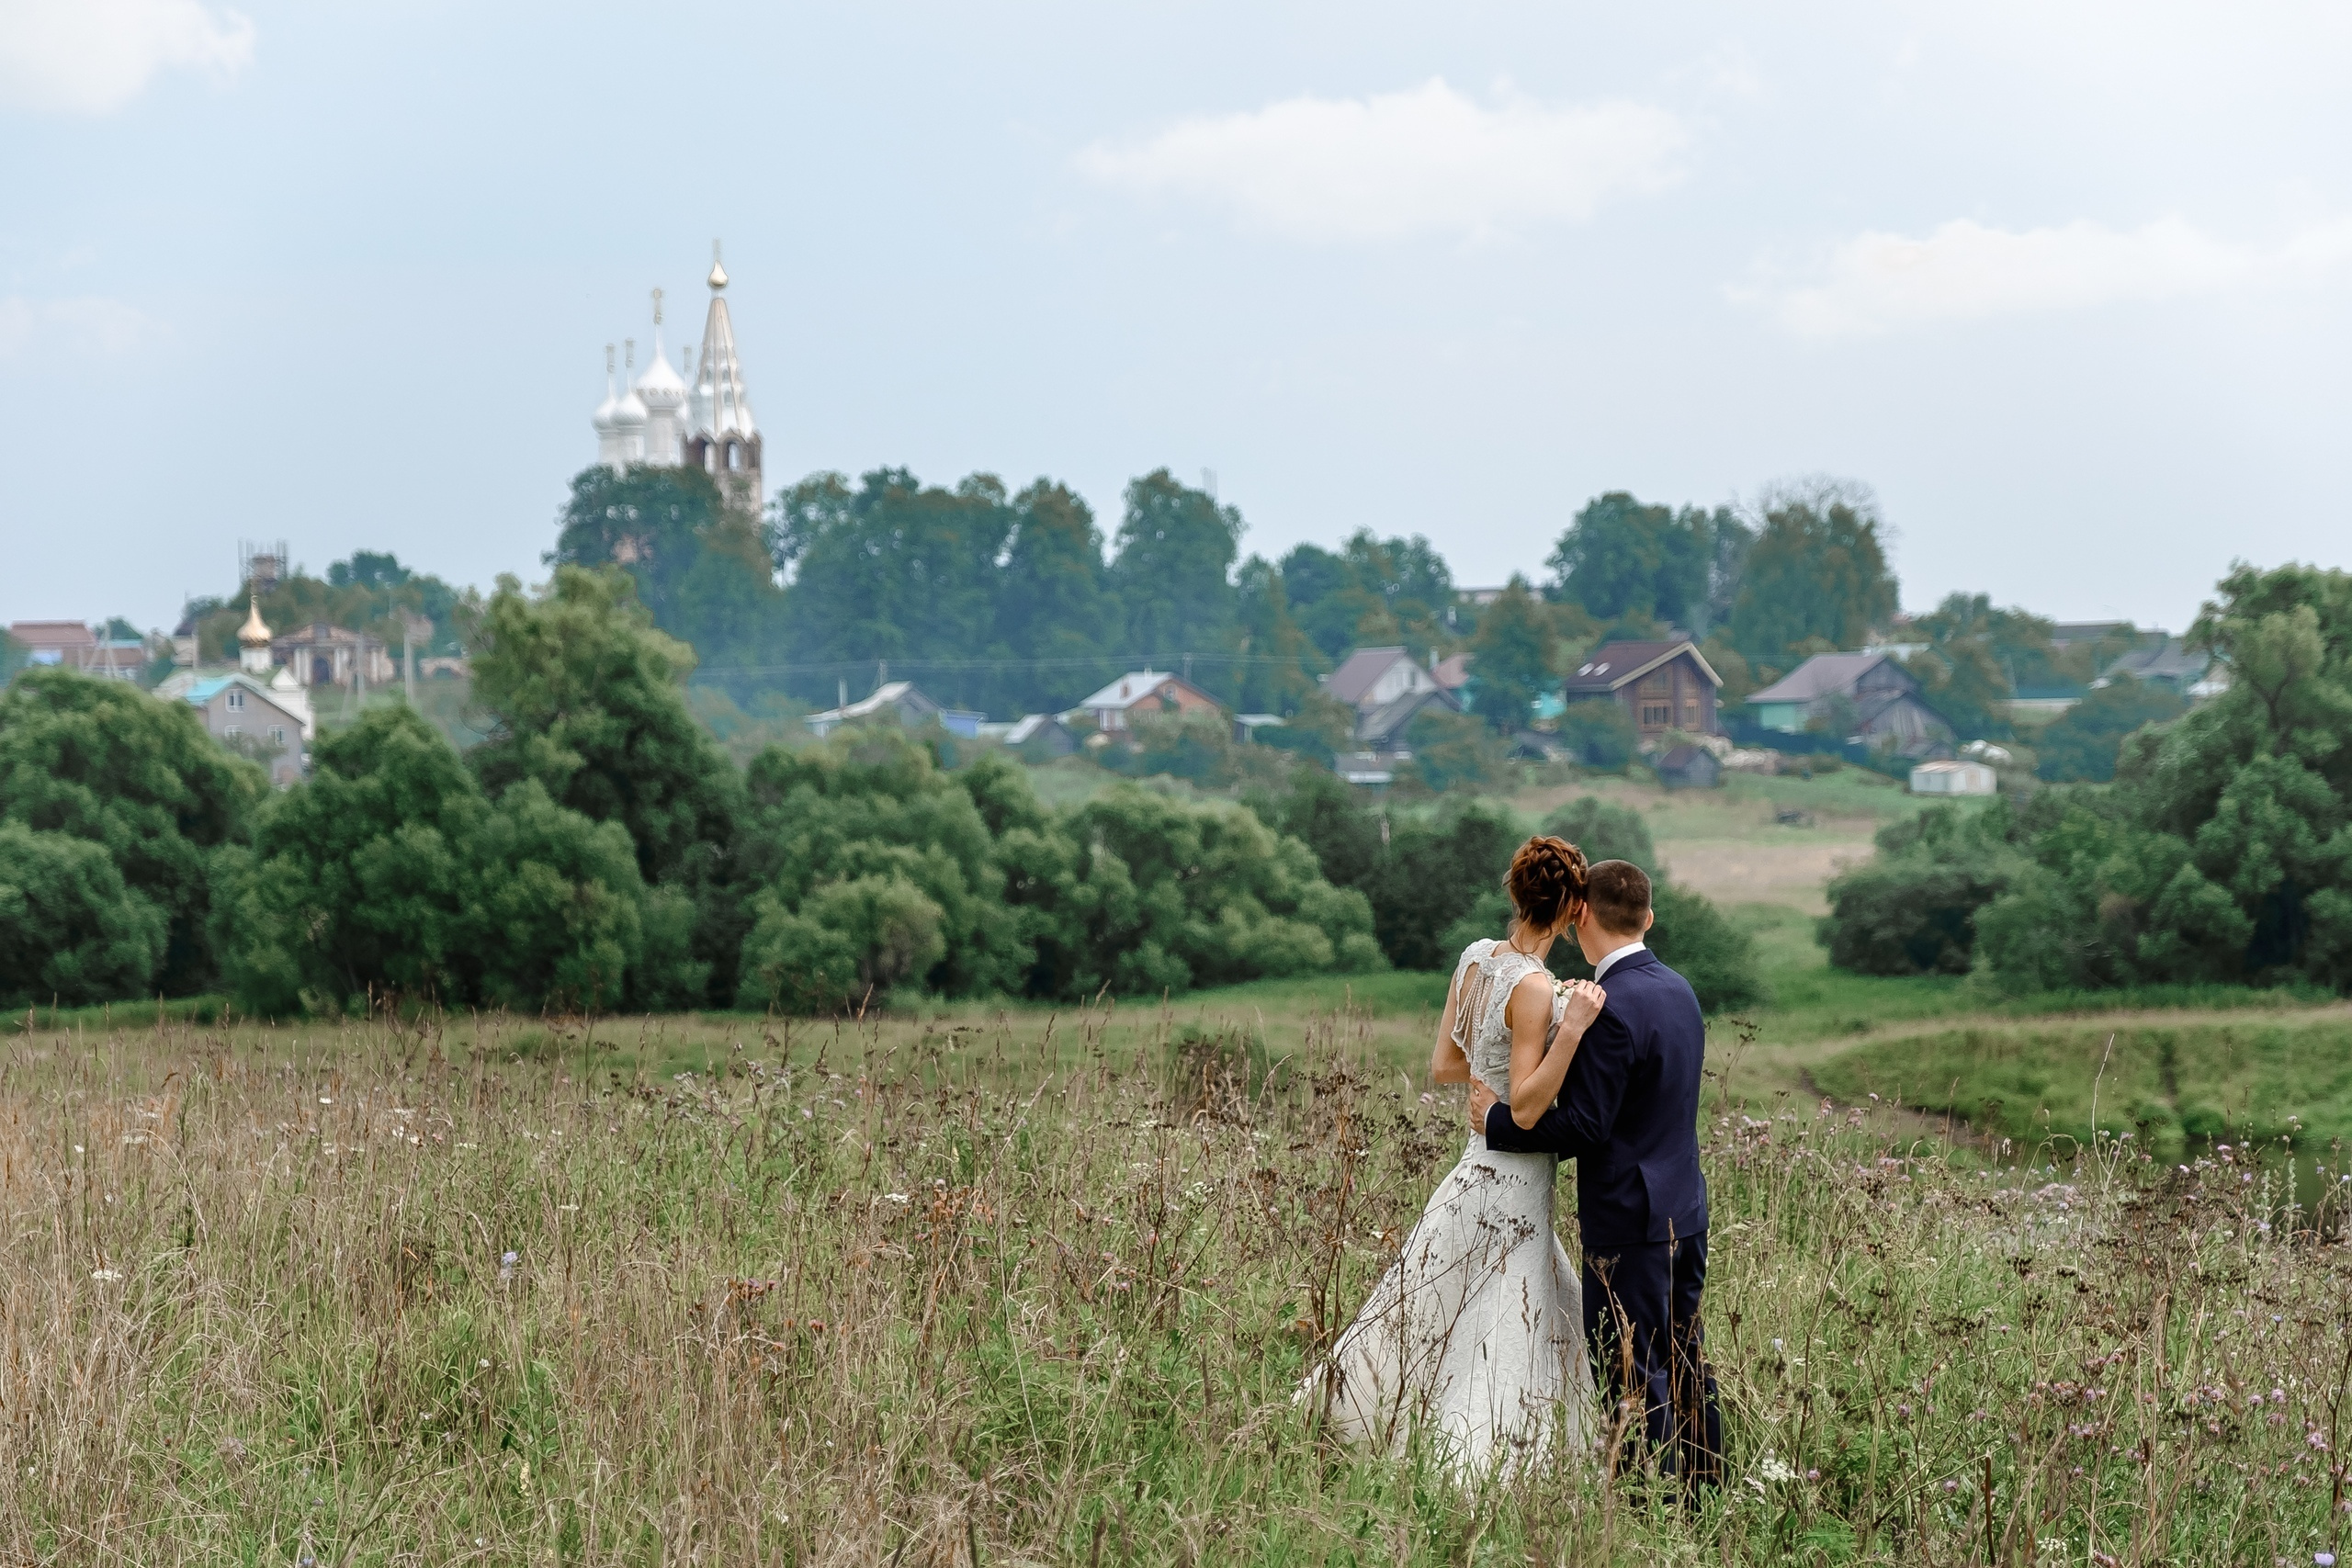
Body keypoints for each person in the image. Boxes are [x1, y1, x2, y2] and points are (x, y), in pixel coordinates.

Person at [1302, 836, 1606, 1474]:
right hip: (1516, 1173)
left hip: (1471, 1167)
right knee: (1501, 1313)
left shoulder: (1476, 959)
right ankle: (1477, 1458)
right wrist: (1570, 1028)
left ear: (1518, 893)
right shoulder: (1534, 987)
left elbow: (1444, 1063)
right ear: (1571, 906)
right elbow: (1524, 1108)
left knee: (1436, 1300)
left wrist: (1490, 1072)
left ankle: (1368, 1416)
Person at [1468, 858, 1723, 1487]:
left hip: (1629, 1221)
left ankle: (1646, 1501)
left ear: (1580, 914)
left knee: (1630, 1370)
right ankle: (1706, 1486)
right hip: (1685, 1211)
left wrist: (1498, 1123)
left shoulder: (1610, 1006)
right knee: (1686, 1356)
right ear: (1648, 918)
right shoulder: (1678, 988)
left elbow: (1586, 1124)